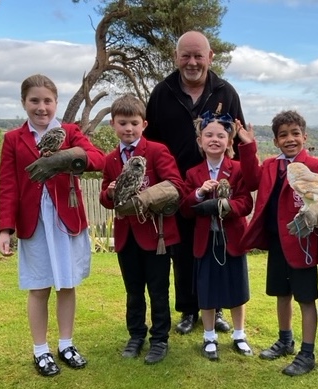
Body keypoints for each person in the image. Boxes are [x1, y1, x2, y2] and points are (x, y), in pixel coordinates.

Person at [0, 74, 105, 377]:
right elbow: (7, 185)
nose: (41, 107)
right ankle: (40, 350)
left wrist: (67, 156)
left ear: (56, 103)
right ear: (24, 103)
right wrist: (5, 228)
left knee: (67, 283)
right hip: (34, 222)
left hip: (66, 219)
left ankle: (66, 344)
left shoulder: (70, 132)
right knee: (39, 286)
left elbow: (98, 159)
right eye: (34, 101)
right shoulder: (13, 140)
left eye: (47, 101)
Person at [145, 30, 246, 335]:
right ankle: (189, 310)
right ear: (176, 58)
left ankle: (214, 311)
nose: (192, 62)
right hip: (176, 191)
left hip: (217, 190)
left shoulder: (226, 92)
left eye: (198, 56)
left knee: (216, 252)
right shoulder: (161, 93)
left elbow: (237, 143)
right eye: (185, 56)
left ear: (210, 57)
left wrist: (234, 184)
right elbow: (150, 144)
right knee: (184, 254)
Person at [237, 110, 318, 376]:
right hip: (277, 241)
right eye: (283, 135)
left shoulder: (316, 167)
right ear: (276, 141)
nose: (290, 139)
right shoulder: (270, 165)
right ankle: (285, 340)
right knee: (282, 294)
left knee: (305, 298)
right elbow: (252, 181)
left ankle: (307, 353)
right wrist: (247, 145)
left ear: (304, 136)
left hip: (303, 244)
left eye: (295, 134)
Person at [99, 94, 183, 365]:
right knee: (133, 291)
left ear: (143, 124)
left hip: (155, 235)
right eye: (122, 123)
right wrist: (110, 194)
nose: (128, 129)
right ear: (113, 124)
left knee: (158, 291)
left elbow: (176, 186)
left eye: (134, 123)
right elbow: (104, 194)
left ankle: (159, 340)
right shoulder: (111, 159)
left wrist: (147, 197)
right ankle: (136, 335)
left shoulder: (157, 151)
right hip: (126, 236)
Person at [180, 111, 253, 360]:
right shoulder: (193, 174)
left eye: (220, 135)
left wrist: (226, 206)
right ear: (200, 141)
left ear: (229, 141)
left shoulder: (238, 169)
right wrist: (200, 194)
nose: (214, 139)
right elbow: (185, 209)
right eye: (208, 135)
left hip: (232, 239)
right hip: (206, 241)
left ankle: (239, 335)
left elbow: (246, 203)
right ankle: (209, 337)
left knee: (237, 288)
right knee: (207, 290)